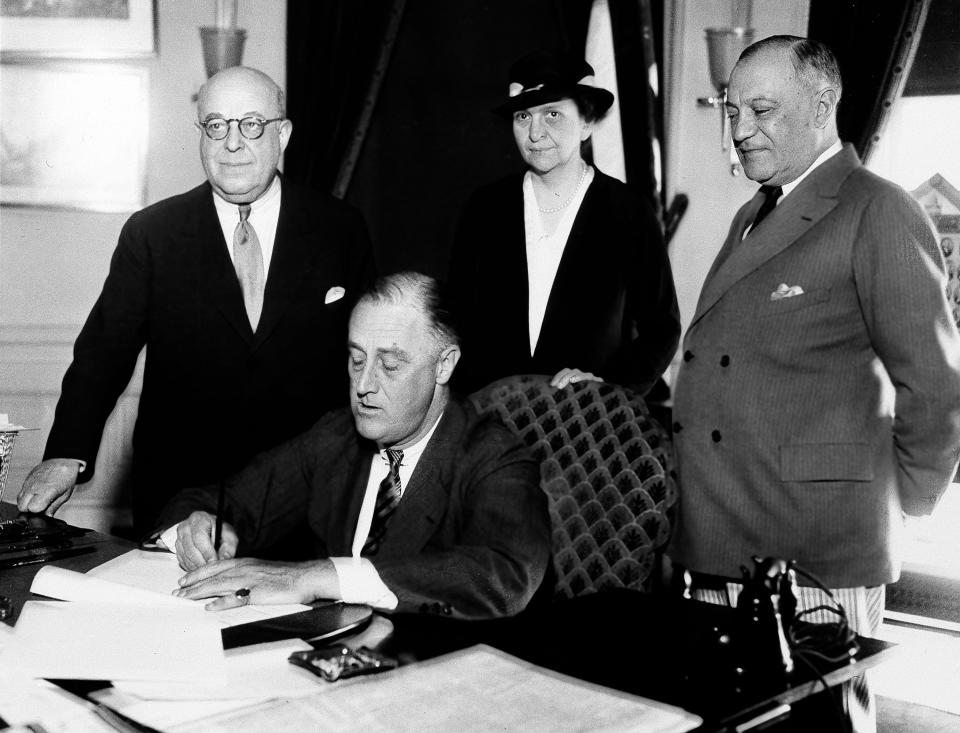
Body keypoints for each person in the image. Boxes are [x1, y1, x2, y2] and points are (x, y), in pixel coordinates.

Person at [670, 32, 960, 657]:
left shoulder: (877, 210)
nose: (741, 129)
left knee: (822, 720)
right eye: (732, 110)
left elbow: (936, 388)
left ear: (823, 102)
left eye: (762, 110)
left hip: (816, 546)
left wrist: (891, 501)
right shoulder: (750, 215)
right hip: (722, 531)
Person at [17, 66, 374, 534]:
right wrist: (67, 451)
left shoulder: (339, 229)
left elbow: (368, 353)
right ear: (200, 134)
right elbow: (104, 353)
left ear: (282, 134)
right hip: (179, 498)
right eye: (216, 125)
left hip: (307, 498)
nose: (232, 144)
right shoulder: (153, 234)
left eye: (251, 124)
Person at [155, 272, 551, 619]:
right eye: (356, 360)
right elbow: (222, 500)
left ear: (444, 365)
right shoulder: (336, 437)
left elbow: (505, 574)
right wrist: (197, 528)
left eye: (390, 365)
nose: (363, 386)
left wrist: (315, 575)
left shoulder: (493, 454)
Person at [447, 50, 680, 395]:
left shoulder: (628, 211)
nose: (535, 133)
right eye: (523, 116)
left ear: (587, 122)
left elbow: (661, 329)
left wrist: (609, 389)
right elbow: (455, 320)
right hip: (490, 426)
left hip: (585, 427)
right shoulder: (485, 207)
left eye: (552, 114)